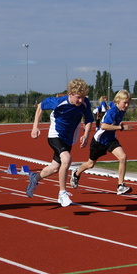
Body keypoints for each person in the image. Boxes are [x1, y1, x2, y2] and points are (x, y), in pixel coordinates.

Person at [26, 78, 94, 207]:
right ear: (70, 95)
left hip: (68, 138)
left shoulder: (85, 103)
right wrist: (35, 127)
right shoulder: (58, 102)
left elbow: (89, 119)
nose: (81, 101)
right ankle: (62, 193)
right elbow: (40, 106)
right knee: (67, 159)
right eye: (78, 97)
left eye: (83, 97)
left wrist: (86, 134)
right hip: (55, 135)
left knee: (54, 168)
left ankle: (34, 178)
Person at [71, 90, 133, 195]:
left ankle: (120, 185)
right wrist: (120, 127)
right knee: (90, 164)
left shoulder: (121, 110)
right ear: (118, 102)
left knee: (123, 157)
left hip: (110, 140)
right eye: (125, 103)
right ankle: (76, 173)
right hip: (99, 141)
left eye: (128, 103)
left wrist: (118, 124)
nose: (127, 105)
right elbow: (104, 126)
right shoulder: (112, 111)